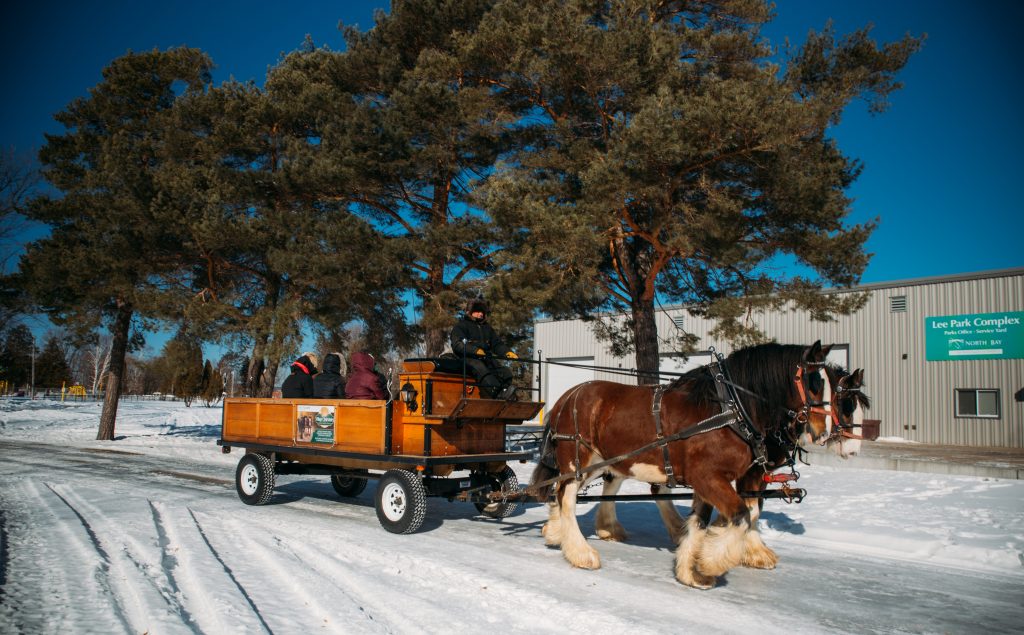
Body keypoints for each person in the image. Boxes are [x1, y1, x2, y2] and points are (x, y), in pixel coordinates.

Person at [450, 299, 518, 399]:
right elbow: (458, 344)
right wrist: (475, 351)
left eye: (482, 312)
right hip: (467, 359)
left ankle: (507, 392)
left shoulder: (487, 328)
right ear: (469, 312)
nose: (481, 314)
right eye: (477, 311)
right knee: (480, 367)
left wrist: (507, 352)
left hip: (485, 357)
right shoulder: (461, 326)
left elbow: (497, 344)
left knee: (504, 371)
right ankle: (497, 393)